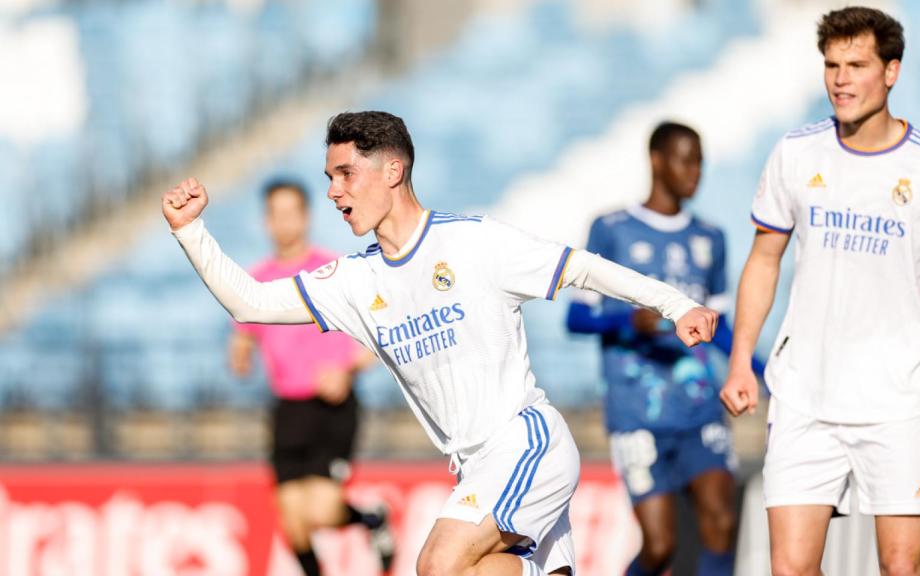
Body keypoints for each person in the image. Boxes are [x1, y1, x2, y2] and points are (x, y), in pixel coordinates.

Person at [162, 111, 719, 576]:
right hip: (475, 467)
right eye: (329, 177)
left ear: (392, 170)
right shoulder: (356, 281)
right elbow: (250, 304)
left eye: (345, 174)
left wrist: (676, 305)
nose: (333, 192)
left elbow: (582, 269)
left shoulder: (474, 242)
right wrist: (190, 231)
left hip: (526, 442)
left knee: (436, 565)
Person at [719, 7, 920, 575]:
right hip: (804, 396)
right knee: (790, 569)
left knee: (902, 568)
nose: (840, 79)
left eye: (856, 64)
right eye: (831, 65)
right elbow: (763, 259)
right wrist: (738, 362)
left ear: (892, 71)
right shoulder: (796, 154)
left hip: (896, 402)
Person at [567, 122, 762, 576]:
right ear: (657, 160)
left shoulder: (710, 238)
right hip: (638, 412)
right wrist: (626, 321)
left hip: (698, 409)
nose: (695, 171)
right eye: (685, 159)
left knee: (721, 519)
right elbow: (576, 318)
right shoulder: (611, 229)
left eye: (700, 161)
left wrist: (758, 367)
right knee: (659, 546)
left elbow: (720, 325)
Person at [227, 178, 391, 576]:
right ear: (266, 221)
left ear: (305, 217)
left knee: (319, 508)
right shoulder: (257, 278)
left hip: (331, 405)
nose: (284, 222)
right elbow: (243, 338)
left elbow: (378, 335)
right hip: (287, 409)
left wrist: (347, 369)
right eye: (276, 214)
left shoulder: (332, 269)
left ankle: (372, 519)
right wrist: (241, 353)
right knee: (292, 520)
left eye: (291, 212)